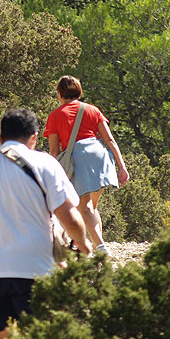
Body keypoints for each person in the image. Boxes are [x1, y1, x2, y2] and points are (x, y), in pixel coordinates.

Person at [0, 109, 92, 339]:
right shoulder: (45, 164)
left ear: (1, 138)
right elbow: (70, 219)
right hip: (35, 271)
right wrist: (85, 246)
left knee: (0, 338)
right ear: (34, 137)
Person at [43, 75, 129, 256]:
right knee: (91, 206)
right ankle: (83, 243)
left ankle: (100, 247)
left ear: (59, 94)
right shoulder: (92, 110)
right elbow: (110, 140)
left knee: (85, 207)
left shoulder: (55, 116)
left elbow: (53, 151)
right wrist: (122, 167)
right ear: (79, 91)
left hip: (79, 158)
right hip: (100, 156)